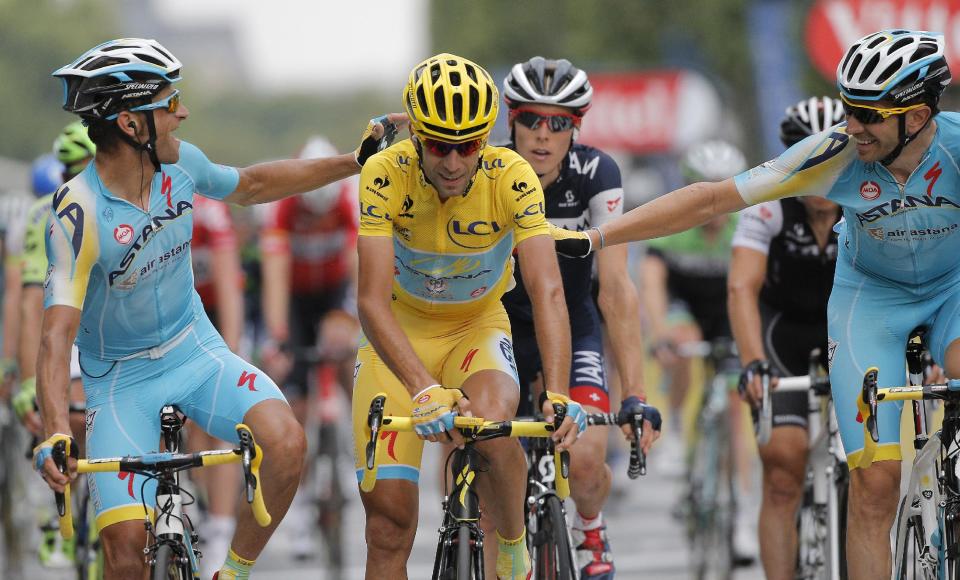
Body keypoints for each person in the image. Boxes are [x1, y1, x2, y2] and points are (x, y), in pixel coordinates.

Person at [553, 29, 954, 579]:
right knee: (875, 485)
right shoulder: (835, 155)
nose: (852, 125)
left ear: (918, 113)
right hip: (872, 304)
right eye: (848, 109)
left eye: (869, 114)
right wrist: (600, 237)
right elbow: (711, 198)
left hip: (952, 292)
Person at [33, 37, 402, 580]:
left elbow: (252, 185)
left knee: (286, 443)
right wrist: (52, 430)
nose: (182, 112)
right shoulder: (78, 212)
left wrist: (354, 161)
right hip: (120, 382)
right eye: (168, 102)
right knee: (123, 550)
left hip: (195, 351)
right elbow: (54, 336)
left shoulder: (182, 166)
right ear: (132, 125)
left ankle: (231, 571)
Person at [354, 52, 581, 579]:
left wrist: (560, 391)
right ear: (415, 138)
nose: (453, 163)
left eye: (468, 147)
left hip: (476, 326)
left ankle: (512, 549)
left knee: (492, 429)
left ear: (487, 140)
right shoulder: (384, 173)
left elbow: (547, 290)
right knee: (387, 526)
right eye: (437, 146)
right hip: (397, 337)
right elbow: (369, 299)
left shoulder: (512, 176)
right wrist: (420, 387)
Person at [500, 56, 661, 580]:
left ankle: (588, 526)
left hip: (572, 322)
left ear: (577, 128)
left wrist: (635, 392)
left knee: (589, 455)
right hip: (496, 327)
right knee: (481, 456)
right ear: (511, 121)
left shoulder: (598, 173)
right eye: (531, 120)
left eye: (560, 123)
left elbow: (615, 288)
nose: (543, 136)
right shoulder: (485, 169)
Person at [728, 96, 843, 580]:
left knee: (871, 471)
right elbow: (741, 287)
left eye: (831, 158)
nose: (819, 170)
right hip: (782, 332)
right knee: (782, 468)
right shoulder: (769, 203)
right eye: (806, 157)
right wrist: (753, 362)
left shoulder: (869, 199)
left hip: (845, 326)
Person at [640, 140, 758, 560]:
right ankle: (673, 427)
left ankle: (741, 512)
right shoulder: (675, 223)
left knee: (732, 400)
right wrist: (659, 333)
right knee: (684, 342)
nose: (714, 202)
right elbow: (652, 282)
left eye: (723, 189)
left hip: (725, 308)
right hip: (683, 305)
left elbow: (756, 288)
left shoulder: (746, 225)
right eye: (703, 188)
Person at [259, 135, 360, 559]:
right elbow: (275, 276)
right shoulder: (283, 205)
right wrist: (278, 336)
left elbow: (361, 262)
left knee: (350, 366)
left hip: (334, 291)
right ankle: (299, 508)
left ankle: (355, 450)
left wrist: (350, 319)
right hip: (298, 300)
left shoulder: (347, 201)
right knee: (296, 407)